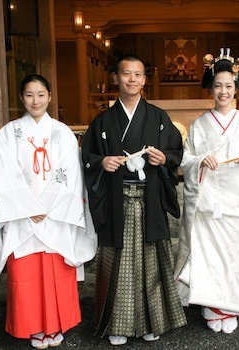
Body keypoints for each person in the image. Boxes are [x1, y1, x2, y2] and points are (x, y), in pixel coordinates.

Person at [0, 74, 97, 349]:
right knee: (26, 273)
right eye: (29, 95)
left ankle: (56, 325)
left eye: (41, 94)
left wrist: (46, 207)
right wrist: (28, 207)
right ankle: (32, 326)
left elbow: (70, 174)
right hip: (21, 214)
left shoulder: (63, 134)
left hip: (56, 213)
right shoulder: (8, 134)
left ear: (49, 97)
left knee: (56, 269)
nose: (36, 100)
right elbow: (5, 174)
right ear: (22, 98)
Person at [81, 54, 187, 346]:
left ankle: (152, 321)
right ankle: (117, 324)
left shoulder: (158, 118)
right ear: (116, 78)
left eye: (138, 75)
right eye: (126, 74)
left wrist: (165, 158)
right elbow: (87, 157)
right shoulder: (102, 121)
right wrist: (102, 162)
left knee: (151, 263)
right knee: (117, 264)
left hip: (148, 199)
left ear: (144, 80)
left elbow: (177, 153)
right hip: (117, 201)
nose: (132, 79)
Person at [174, 52, 239, 334]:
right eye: (218, 86)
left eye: (228, 86)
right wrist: (201, 161)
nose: (223, 91)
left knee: (232, 256)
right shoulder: (201, 123)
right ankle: (211, 306)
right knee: (210, 257)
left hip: (236, 201)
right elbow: (186, 158)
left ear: (235, 89)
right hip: (208, 203)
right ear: (211, 88)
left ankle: (231, 306)